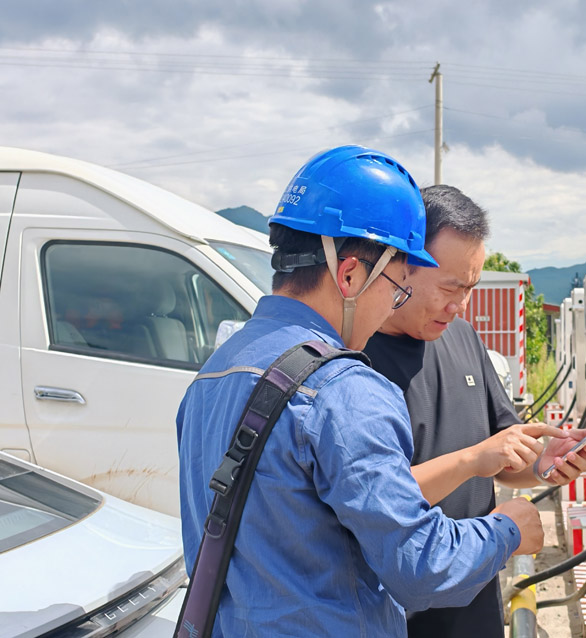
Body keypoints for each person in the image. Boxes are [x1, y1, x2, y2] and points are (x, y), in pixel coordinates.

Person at [176, 146, 549, 638]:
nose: (391, 306)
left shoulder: (213, 374)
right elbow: (420, 566)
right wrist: (508, 530)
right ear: (351, 273)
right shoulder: (344, 391)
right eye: (396, 286)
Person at [363, 184, 586, 638]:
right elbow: (375, 499)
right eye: (449, 288)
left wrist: (543, 464)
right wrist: (475, 458)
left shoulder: (462, 337)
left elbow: (501, 453)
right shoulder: (358, 362)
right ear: (401, 267)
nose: (459, 306)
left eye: (470, 288)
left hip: (476, 597)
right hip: (399, 610)